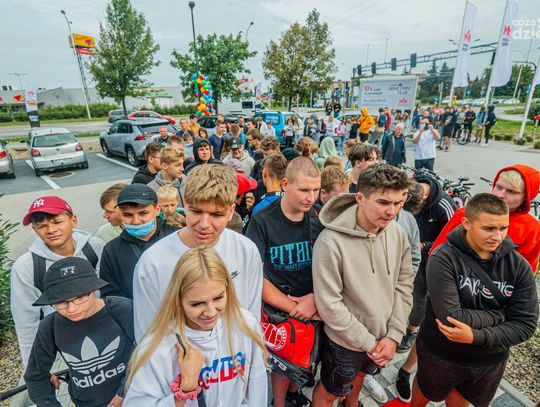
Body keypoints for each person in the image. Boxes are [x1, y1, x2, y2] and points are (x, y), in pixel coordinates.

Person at [412, 194, 538, 407]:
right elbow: (452, 317)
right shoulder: (444, 257)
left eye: (503, 228)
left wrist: (475, 336)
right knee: (425, 392)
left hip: (488, 362)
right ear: (467, 223)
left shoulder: (519, 266)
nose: (497, 236)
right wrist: (503, 316)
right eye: (489, 228)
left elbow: (526, 326)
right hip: (441, 352)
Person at [311, 163, 414, 407]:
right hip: (345, 343)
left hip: (384, 337)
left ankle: (352, 403)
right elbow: (329, 304)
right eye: (383, 202)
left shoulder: (397, 232)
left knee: (360, 377)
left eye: (398, 203)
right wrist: (371, 344)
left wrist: (394, 335)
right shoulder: (330, 242)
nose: (392, 211)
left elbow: (404, 284)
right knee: (329, 392)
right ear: (360, 198)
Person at [133, 164, 263, 340]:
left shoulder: (246, 250)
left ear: (231, 212)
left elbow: (251, 316)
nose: (204, 224)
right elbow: (147, 334)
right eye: (196, 211)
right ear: (185, 206)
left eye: (216, 215)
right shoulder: (152, 262)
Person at [124, 247, 268, 405]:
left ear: (227, 288)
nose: (210, 312)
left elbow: (257, 386)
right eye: (197, 304)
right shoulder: (158, 346)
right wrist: (185, 388)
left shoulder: (245, 324)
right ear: (178, 300)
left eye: (218, 298)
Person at [246, 157, 323, 407]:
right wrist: (294, 307)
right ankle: (278, 402)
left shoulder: (319, 217)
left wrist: (315, 300)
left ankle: (293, 393)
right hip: (280, 308)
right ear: (286, 184)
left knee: (307, 359)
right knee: (283, 366)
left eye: (316, 190)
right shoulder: (263, 220)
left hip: (314, 305)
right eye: (304, 189)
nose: (311, 197)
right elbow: (254, 276)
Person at [24, 257, 134, 407]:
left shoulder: (121, 310)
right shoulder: (50, 326)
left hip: (132, 397)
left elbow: (148, 352)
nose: (71, 308)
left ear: (93, 290)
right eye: (61, 301)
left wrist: (124, 392)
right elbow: (35, 377)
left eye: (80, 297)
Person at [11, 196, 105, 366]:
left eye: (57, 222)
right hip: (62, 346)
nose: (51, 230)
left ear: (73, 220)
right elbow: (26, 323)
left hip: (103, 331)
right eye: (41, 226)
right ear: (34, 229)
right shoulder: (26, 267)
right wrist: (37, 369)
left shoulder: (95, 248)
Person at [395, 176, 457, 403]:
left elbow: (449, 238)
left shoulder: (444, 206)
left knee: (420, 295)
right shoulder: (410, 194)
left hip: (431, 258)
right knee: (411, 291)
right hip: (412, 252)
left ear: (425, 199)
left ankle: (412, 330)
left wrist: (424, 246)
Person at [431, 165, 540, 272]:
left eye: (511, 191)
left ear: (526, 196)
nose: (500, 195)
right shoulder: (466, 213)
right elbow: (436, 253)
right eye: (498, 187)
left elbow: (526, 272)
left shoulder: (532, 228)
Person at [99, 184, 178, 300]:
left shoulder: (177, 237)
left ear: (157, 210)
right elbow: (111, 296)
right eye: (128, 215)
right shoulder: (112, 251)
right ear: (120, 214)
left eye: (143, 213)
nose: (136, 221)